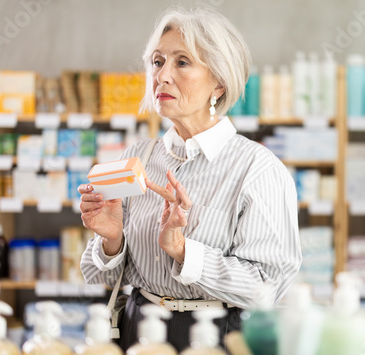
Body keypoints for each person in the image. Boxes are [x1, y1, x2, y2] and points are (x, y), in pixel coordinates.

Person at [79, 7, 301, 352]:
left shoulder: (257, 169)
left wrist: (184, 252)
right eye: (157, 61)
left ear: (219, 82)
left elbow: (269, 285)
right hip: (138, 330)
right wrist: (111, 241)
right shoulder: (136, 158)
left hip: (215, 336)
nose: (162, 75)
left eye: (182, 63)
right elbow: (99, 277)